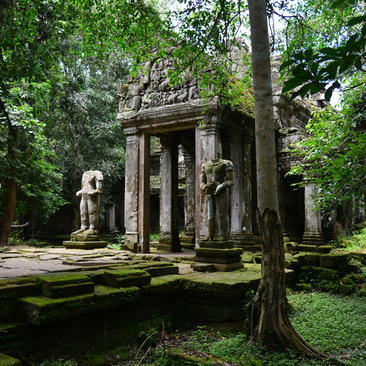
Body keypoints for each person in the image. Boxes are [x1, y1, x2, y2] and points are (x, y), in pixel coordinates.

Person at [200, 158, 234, 241]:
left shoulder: (226, 163)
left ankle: (224, 236)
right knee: (210, 215)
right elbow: (202, 182)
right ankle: (210, 235)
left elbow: (231, 181)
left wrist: (221, 186)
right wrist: (204, 187)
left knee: (222, 214)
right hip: (209, 191)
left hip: (221, 191)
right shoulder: (205, 165)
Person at [72, 170, 103, 236]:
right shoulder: (84, 174)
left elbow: (99, 189)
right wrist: (80, 192)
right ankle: (83, 227)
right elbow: (84, 187)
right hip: (84, 196)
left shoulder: (96, 173)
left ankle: (92, 228)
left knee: (91, 212)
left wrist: (94, 192)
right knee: (83, 212)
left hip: (91, 197)